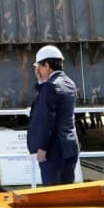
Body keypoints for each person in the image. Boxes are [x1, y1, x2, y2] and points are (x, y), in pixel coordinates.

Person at [26, 45, 80, 186]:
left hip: (53, 150)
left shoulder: (50, 87)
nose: (39, 71)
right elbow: (50, 94)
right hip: (70, 147)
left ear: (47, 65)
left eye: (40, 67)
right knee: (67, 194)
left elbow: (46, 120)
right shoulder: (70, 83)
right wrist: (42, 81)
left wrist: (42, 147)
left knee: (52, 194)